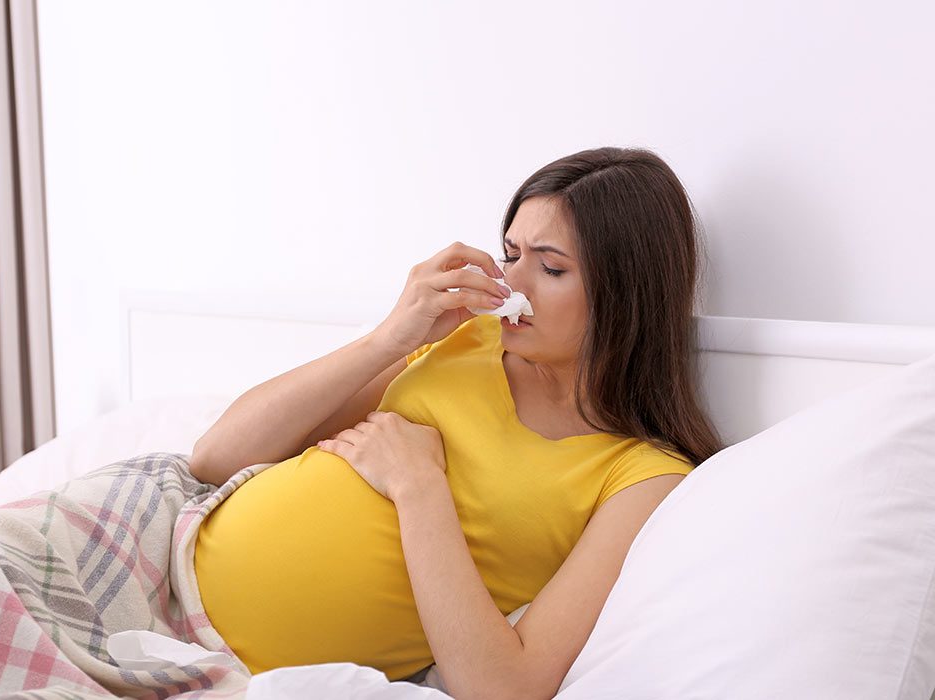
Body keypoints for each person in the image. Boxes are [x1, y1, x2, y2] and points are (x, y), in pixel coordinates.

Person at [188, 147, 724, 698]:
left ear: (627, 295)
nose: (513, 285)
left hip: (230, 668)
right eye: (509, 254)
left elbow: (505, 688)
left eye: (551, 267)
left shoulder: (644, 477)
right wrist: (390, 337)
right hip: (167, 555)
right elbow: (213, 460)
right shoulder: (464, 337)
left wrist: (419, 487)